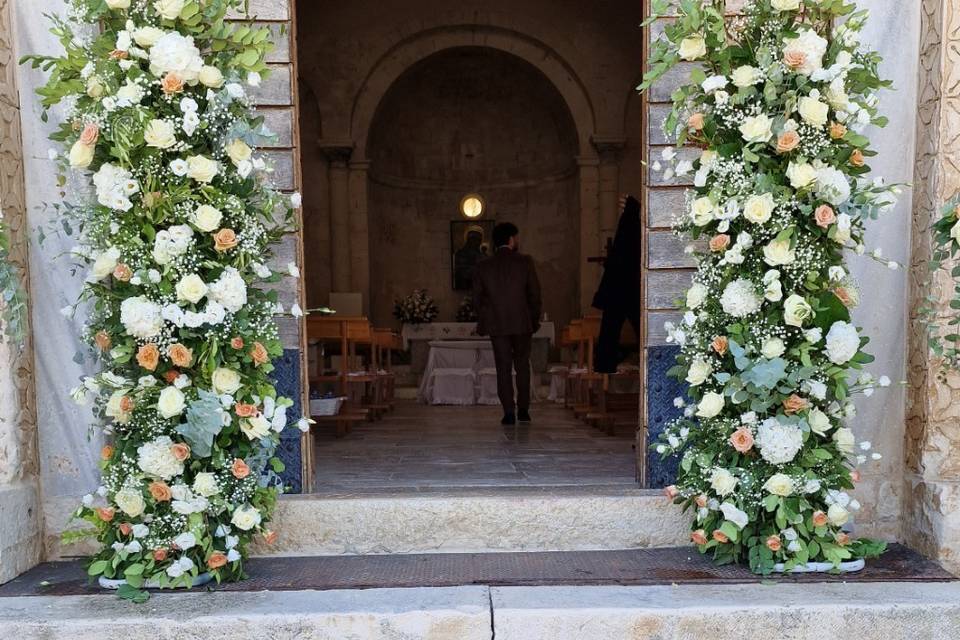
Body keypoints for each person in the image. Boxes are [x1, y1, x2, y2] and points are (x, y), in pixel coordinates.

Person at [473, 222, 542, 425]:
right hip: (522, 323)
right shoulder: (525, 262)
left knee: (502, 368)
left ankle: (508, 412)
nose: (517, 241)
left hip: (498, 325)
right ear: (511, 239)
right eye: (516, 237)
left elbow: (477, 299)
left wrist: (486, 318)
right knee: (522, 366)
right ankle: (523, 410)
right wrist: (533, 319)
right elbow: (535, 295)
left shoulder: (483, 266)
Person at [592, 194, 641, 373]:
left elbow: (622, 257)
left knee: (610, 330)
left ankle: (605, 364)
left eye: (623, 207)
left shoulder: (629, 225)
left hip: (621, 288)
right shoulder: (633, 224)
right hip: (631, 288)